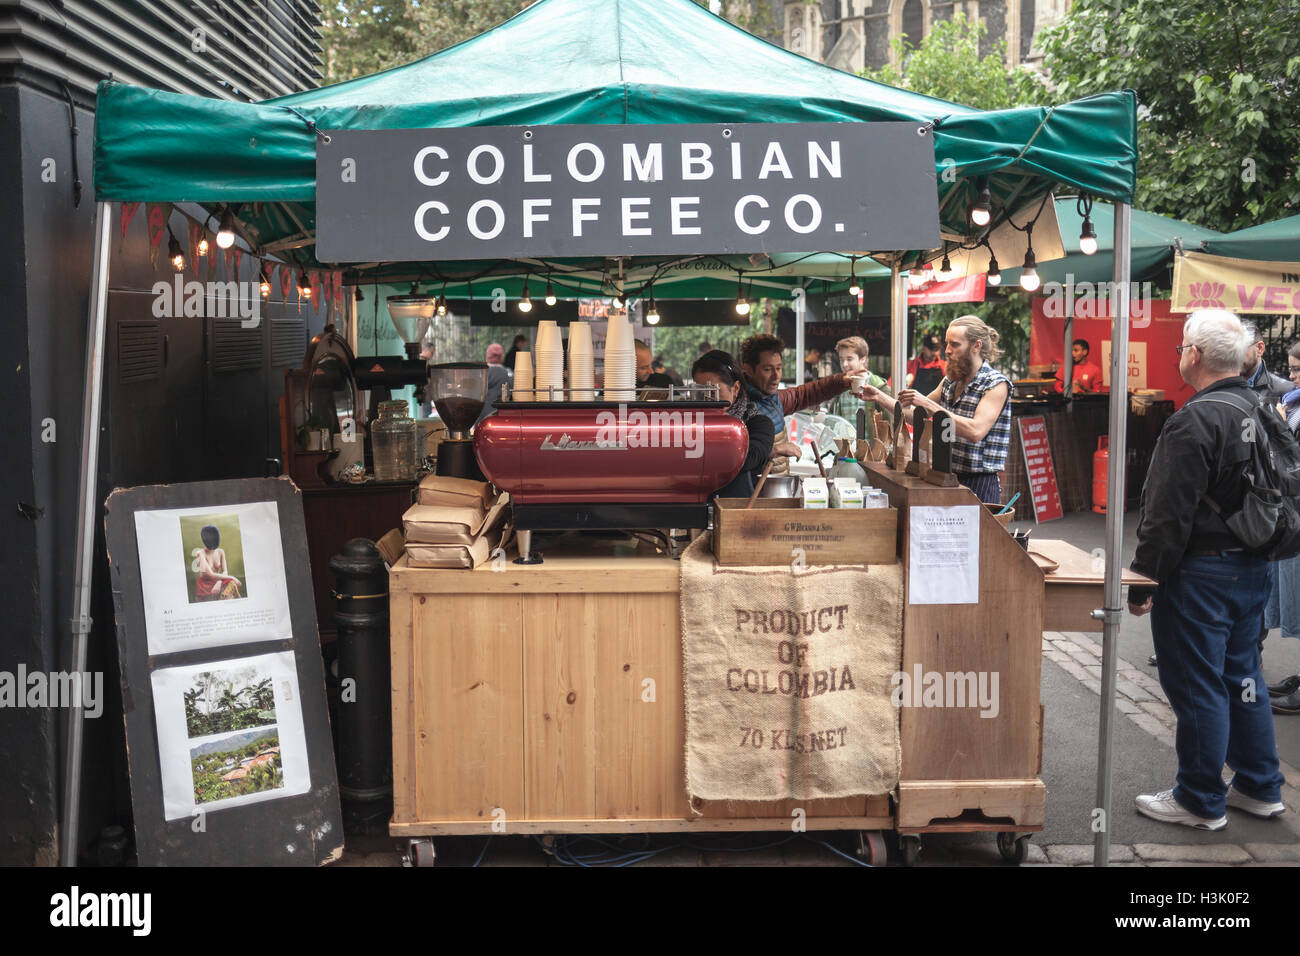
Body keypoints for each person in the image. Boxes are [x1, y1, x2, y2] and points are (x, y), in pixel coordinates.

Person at [1127, 309, 1285, 829]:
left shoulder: (1194, 418)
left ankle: (1199, 798)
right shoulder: (1264, 405)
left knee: (1198, 685)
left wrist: (1143, 579)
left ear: (1194, 354)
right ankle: (1260, 786)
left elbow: (1166, 514)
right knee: (1243, 677)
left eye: (1180, 349)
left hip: (1201, 574)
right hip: (1253, 563)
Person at [875, 316, 1012, 504]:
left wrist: (927, 404)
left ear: (976, 346)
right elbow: (916, 417)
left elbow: (975, 431)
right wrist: (878, 396)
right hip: (945, 476)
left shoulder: (996, 384)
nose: (947, 351)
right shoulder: (950, 380)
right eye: (947, 344)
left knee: (977, 534)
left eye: (955, 344)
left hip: (979, 481)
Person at [691, 350, 797, 498]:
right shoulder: (686, 425)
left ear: (735, 389)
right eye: (700, 392)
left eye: (714, 391)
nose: (707, 399)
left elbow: (744, 460)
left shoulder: (758, 424)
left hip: (737, 513)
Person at [1265, 341, 1300, 713]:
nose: (1291, 376)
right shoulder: (1292, 403)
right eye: (1289, 369)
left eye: (1296, 370)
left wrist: (1277, 424)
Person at [739, 333, 854, 438]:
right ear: (748, 369)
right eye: (767, 369)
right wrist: (776, 450)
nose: (776, 376)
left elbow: (805, 394)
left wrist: (841, 381)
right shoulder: (739, 408)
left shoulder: (775, 399)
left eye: (778, 368)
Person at [830, 336, 890, 440]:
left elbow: (891, 422)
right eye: (841, 359)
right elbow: (833, 418)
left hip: (872, 453)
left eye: (849, 359)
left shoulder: (879, 387)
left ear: (863, 359)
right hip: (846, 452)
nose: (844, 364)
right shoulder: (839, 387)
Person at [1241, 320, 1291, 403]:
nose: (1233, 354)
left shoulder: (1285, 390)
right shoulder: (1219, 385)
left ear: (1260, 349)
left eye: (1240, 348)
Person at [194, 525, 242, 601]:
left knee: (232, 584)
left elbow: (225, 571)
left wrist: (219, 582)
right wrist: (232, 577)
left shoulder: (220, 551)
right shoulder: (201, 553)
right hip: (205, 585)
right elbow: (210, 574)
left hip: (217, 579)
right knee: (231, 581)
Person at [476, 343, 512, 423]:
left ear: (487, 356)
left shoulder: (481, 373)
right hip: (502, 418)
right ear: (501, 357)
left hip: (481, 418)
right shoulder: (508, 373)